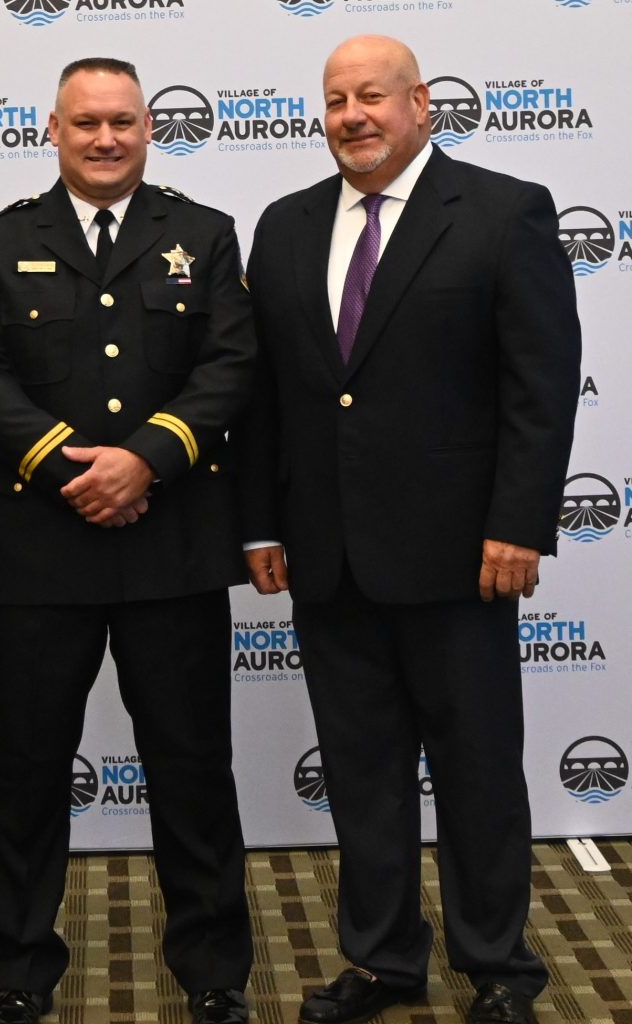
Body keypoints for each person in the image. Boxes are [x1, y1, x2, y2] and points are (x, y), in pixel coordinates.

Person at [237, 35, 580, 1024]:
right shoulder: (288, 224)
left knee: (476, 771)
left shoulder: (502, 210)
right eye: (336, 98)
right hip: (326, 559)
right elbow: (268, 396)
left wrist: (520, 525)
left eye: (372, 97)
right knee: (361, 774)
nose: (351, 115)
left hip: (461, 557)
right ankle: (383, 960)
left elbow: (538, 386)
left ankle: (499, 968)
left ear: (420, 104)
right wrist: (259, 520)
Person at [0, 57, 256, 1024]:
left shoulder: (201, 234)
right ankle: (20, 973)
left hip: (175, 549)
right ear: (54, 128)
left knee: (193, 767)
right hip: (44, 551)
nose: (106, 138)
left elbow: (231, 363)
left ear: (148, 128)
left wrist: (147, 459)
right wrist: (68, 465)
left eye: (123, 121)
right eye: (87, 123)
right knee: (28, 768)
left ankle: (212, 971)